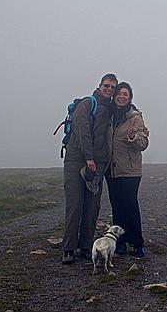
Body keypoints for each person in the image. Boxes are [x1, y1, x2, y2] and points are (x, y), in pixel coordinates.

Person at [61, 73, 118, 265]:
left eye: (112, 87)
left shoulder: (111, 109)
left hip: (99, 163)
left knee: (92, 207)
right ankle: (68, 248)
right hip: (77, 160)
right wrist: (89, 158)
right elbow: (82, 131)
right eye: (106, 85)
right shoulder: (87, 104)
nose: (109, 89)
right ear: (100, 86)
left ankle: (85, 247)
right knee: (75, 204)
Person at [107, 82, 149, 258]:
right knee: (117, 207)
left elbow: (143, 144)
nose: (122, 96)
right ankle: (121, 242)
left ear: (130, 97)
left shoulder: (135, 117)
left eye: (126, 94)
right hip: (112, 170)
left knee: (130, 205)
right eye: (119, 93)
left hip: (130, 171)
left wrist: (133, 137)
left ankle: (137, 243)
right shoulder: (109, 116)